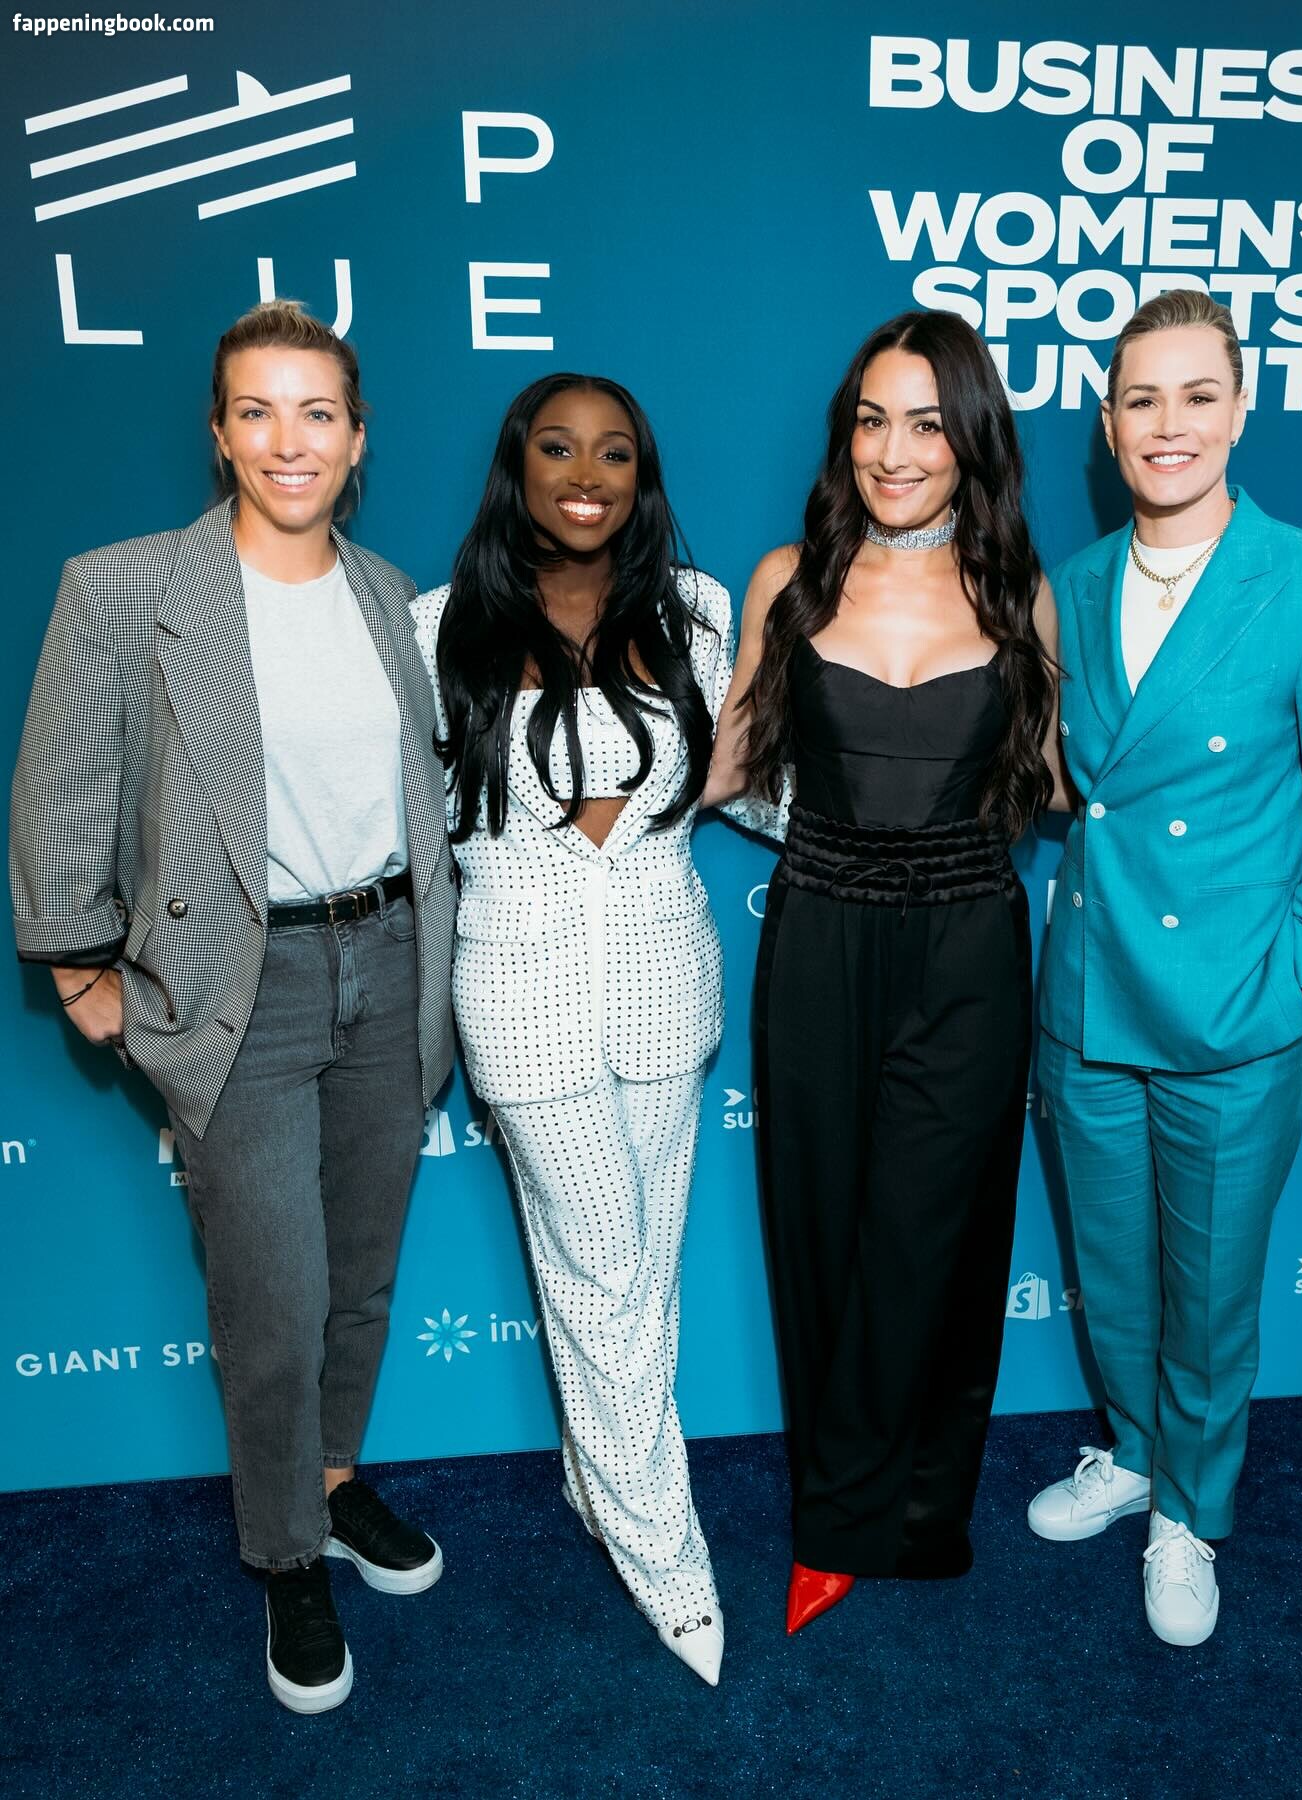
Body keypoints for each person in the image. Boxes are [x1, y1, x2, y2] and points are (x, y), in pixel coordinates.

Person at [9, 300, 456, 1714]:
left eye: (316, 412)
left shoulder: (388, 593)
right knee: (275, 1292)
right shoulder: (126, 589)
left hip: (393, 963)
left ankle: (331, 1479)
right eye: (257, 411)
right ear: (219, 433)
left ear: (358, 438)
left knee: (362, 1271)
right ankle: (286, 1553)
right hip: (236, 989)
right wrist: (81, 973)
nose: (288, 440)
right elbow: (63, 791)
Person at [1029, 288, 1302, 1646]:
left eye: (1198, 395)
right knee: (1117, 1268)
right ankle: (1135, 1455)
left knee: (1210, 1285)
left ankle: (1190, 1509)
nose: (1169, 423)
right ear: (1108, 423)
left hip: (1235, 1013)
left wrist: (1290, 980)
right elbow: (1064, 784)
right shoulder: (1069, 588)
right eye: (1143, 398)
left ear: (1242, 409)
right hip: (1088, 996)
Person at [705, 310, 1066, 1634]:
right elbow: (724, 769)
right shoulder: (788, 580)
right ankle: (841, 1501)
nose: (893, 451)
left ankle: (899, 1510)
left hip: (969, 941)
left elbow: (1062, 784)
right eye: (871, 420)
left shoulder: (1019, 592)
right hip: (818, 932)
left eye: (924, 422)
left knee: (934, 1232)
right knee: (821, 1221)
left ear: (971, 439)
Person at [413, 373, 759, 1687]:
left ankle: (593, 1473)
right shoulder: (437, 626)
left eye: (614, 453)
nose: (585, 473)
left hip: (667, 986)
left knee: (638, 1272)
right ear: (518, 465)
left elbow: (750, 781)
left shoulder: (699, 610)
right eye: (557, 447)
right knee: (604, 1269)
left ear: (641, 478)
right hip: (522, 996)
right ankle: (666, 1547)